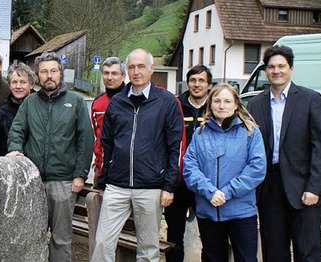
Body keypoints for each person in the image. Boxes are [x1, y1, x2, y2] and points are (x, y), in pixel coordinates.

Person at [92, 49, 183, 262]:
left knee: (148, 249)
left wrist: (169, 186)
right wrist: (104, 180)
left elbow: (175, 147)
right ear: (127, 71)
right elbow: (106, 144)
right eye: (132, 67)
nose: (136, 72)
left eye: (141, 66)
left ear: (152, 69)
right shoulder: (117, 102)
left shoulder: (167, 102)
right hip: (117, 185)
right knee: (102, 243)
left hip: (150, 187)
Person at [7, 52, 93, 261]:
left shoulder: (76, 102)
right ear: (37, 75)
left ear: (60, 73)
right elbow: (17, 130)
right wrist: (15, 149)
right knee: (30, 235)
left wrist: (80, 174)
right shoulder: (29, 103)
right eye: (44, 71)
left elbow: (85, 139)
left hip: (63, 182)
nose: (49, 75)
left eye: (53, 71)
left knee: (61, 238)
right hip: (33, 181)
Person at [247, 45, 321, 262]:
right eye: (271, 67)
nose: (276, 71)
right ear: (266, 71)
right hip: (269, 187)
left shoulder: (310, 99)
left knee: (307, 251)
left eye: (281, 66)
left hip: (303, 187)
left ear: (291, 68)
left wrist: (315, 188)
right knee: (274, 251)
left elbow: (320, 147)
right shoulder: (256, 103)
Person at [183, 83, 266, 262]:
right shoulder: (200, 134)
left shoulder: (251, 132)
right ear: (210, 104)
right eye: (217, 101)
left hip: (241, 212)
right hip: (209, 211)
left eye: (227, 101)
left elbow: (257, 168)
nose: (222, 105)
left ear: (236, 104)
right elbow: (189, 167)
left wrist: (227, 192)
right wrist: (209, 191)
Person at [164, 64, 212, 262]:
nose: (197, 84)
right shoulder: (175, 105)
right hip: (179, 181)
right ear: (187, 82)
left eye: (201, 80)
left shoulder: (216, 106)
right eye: (193, 80)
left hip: (205, 183)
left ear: (209, 84)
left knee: (209, 237)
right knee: (174, 237)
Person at [90, 57, 126, 188]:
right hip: (101, 169)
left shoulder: (131, 99)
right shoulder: (97, 103)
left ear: (123, 76)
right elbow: (97, 135)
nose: (109, 77)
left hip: (125, 170)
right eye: (106, 73)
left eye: (114, 73)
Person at [0, 61, 36, 156]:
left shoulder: (39, 108)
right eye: (14, 82)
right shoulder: (1, 113)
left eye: (23, 82)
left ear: (31, 85)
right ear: (9, 85)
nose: (18, 86)